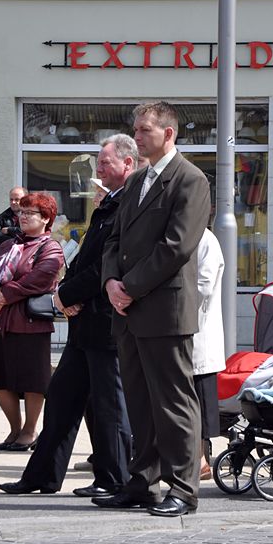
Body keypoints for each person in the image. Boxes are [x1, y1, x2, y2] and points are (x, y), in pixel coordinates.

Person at [0, 134, 134, 497]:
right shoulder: (109, 204)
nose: (99, 170)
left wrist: (65, 296)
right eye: (98, 163)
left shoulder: (128, 205)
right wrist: (65, 295)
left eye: (105, 163)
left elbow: (108, 265)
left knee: (109, 407)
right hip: (84, 321)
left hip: (105, 322)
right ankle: (41, 475)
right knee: (61, 400)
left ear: (127, 164)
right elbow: (84, 260)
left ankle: (114, 480)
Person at [99, 101, 210, 518]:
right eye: (136, 129)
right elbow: (114, 239)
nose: (138, 136)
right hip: (129, 311)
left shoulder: (190, 179)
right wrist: (111, 282)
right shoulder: (136, 181)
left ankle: (183, 488)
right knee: (140, 403)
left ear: (169, 133)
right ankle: (142, 481)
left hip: (164, 311)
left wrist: (129, 287)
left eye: (145, 129)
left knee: (173, 403)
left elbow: (177, 246)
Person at [0, 193, 63, 451]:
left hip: (30, 323)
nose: (23, 217)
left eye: (30, 213)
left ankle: (29, 431)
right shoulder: (8, 245)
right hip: (0, 320)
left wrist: (4, 295)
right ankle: (14, 430)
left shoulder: (50, 247)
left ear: (46, 218)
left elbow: (39, 279)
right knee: (0, 379)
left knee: (32, 381)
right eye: (22, 212)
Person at [192, 228, 225, 482]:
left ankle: (201, 460)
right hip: (185, 333)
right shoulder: (188, 235)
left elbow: (203, 285)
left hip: (199, 333)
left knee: (199, 406)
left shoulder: (205, 240)